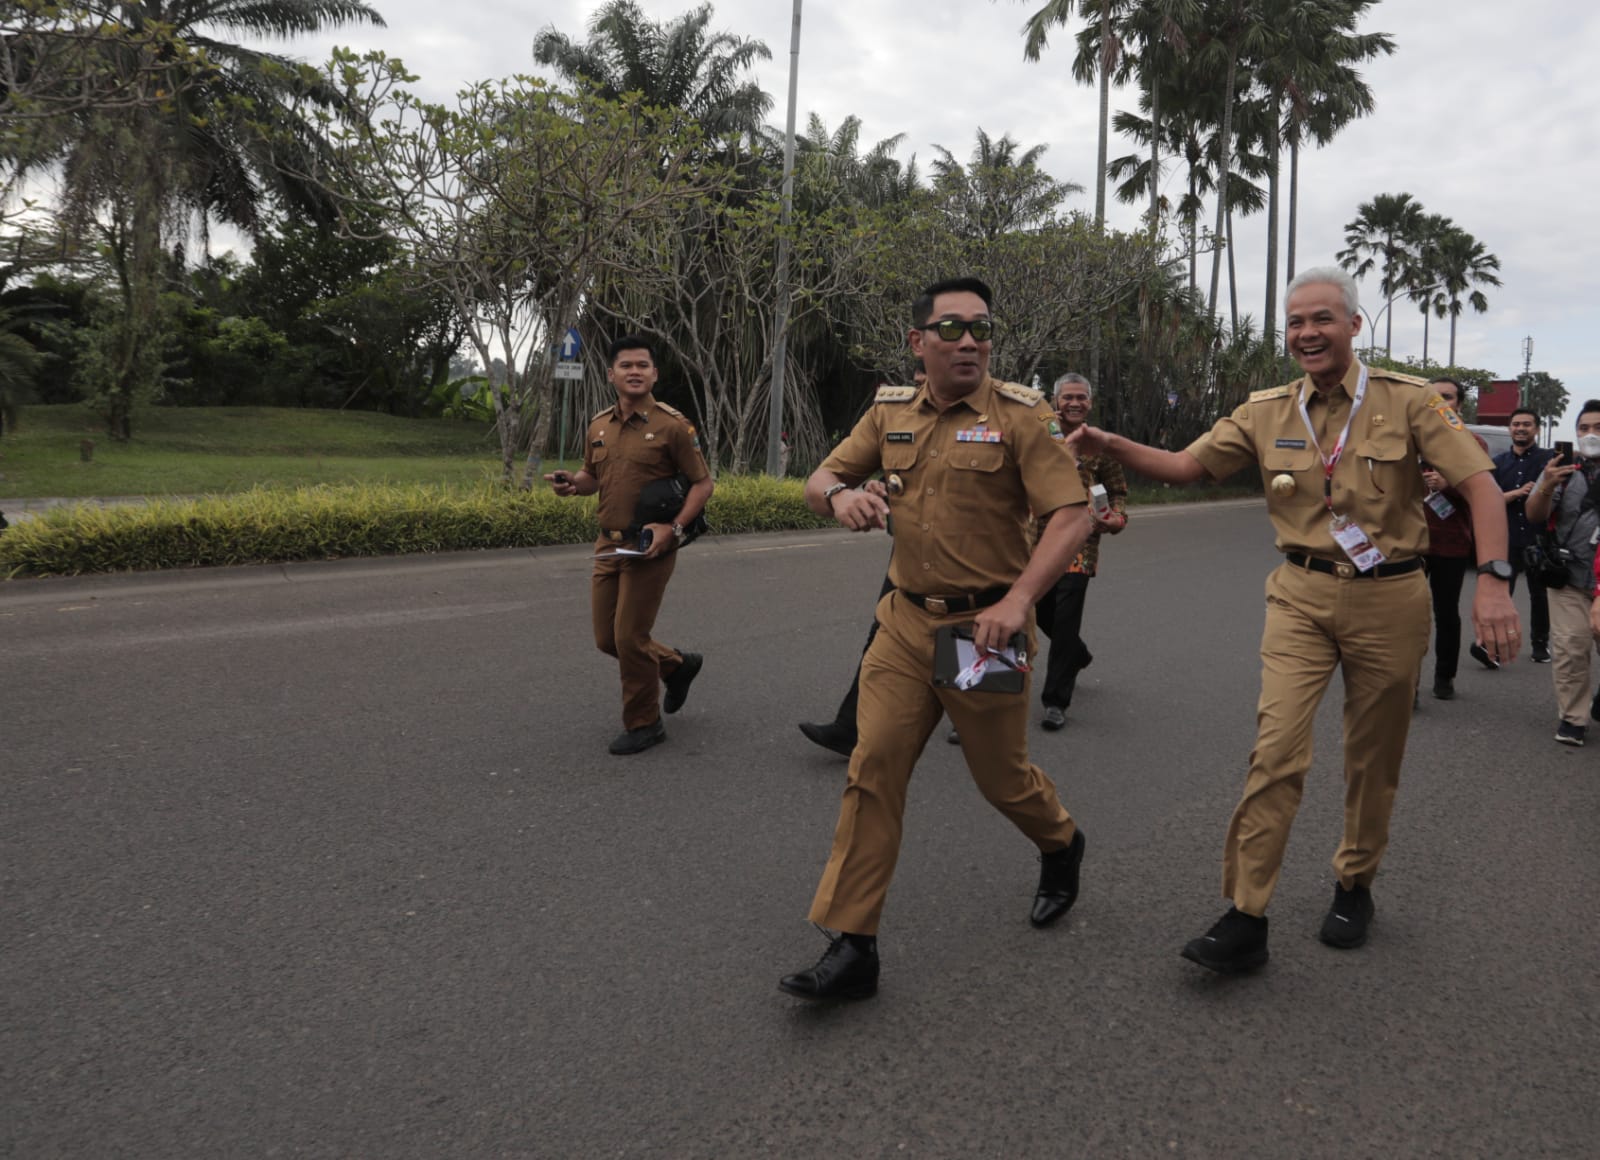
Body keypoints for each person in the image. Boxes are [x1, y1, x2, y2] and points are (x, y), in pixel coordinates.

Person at [1067, 266, 1519, 974]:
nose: (1307, 334)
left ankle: (1355, 882)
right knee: (1275, 749)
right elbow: (1188, 467)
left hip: (1390, 597)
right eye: (1295, 323)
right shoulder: (1267, 409)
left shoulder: (1408, 402)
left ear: (1353, 326)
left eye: (1322, 320)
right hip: (1300, 595)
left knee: (1374, 758)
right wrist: (1111, 445)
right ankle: (1246, 913)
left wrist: (1492, 583)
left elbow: (1480, 489)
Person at [780, 276, 1093, 1002]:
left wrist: (1020, 600)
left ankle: (1060, 841)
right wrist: (840, 496)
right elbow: (822, 473)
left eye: (981, 328)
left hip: (984, 630)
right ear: (918, 342)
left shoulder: (1022, 416)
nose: (971, 342)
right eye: (951, 329)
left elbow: (1072, 514)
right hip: (903, 620)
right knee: (874, 766)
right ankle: (853, 943)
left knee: (1000, 779)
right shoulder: (890, 410)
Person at [543, 334, 714, 756]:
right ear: (611, 374)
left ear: (654, 374)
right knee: (608, 639)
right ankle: (676, 665)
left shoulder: (673, 425)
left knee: (630, 636)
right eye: (626, 365)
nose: (634, 372)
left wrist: (672, 529)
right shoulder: (599, 425)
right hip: (608, 544)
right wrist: (572, 485)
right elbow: (591, 478)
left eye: (642, 365)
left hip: (651, 544)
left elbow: (703, 483)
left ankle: (644, 723)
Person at [797, 367, 925, 759]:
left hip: (982, 576)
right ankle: (849, 729)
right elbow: (822, 482)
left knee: (1002, 768)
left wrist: (1018, 595)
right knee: (881, 636)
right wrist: (850, 494)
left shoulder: (1011, 416)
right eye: (919, 381)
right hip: (911, 557)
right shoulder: (893, 415)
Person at [1033, 373, 1128, 730]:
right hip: (1032, 542)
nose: (1075, 403)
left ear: (1090, 402)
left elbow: (1117, 491)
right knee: (1039, 612)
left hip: (1079, 544)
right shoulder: (1037, 435)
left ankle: (1055, 701)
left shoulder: (1098, 444)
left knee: (1066, 617)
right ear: (1055, 401)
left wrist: (1116, 517)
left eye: (1082, 398)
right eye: (1068, 397)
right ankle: (1076, 654)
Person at [1524, 400, 1600, 746]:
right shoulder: (1561, 469)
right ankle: (1573, 717)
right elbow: (1534, 515)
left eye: (1598, 428)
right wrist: (1547, 485)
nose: (1590, 435)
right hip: (1567, 576)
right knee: (1570, 647)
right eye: (1583, 429)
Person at [1420, 377, 1487, 701]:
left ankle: (1445, 676)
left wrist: (1448, 485)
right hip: (1408, 543)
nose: (1440, 401)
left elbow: (1483, 496)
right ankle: (1405, 685)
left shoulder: (1473, 442)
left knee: (1446, 613)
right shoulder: (1406, 438)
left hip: (1451, 543)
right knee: (1406, 616)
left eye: (1447, 396)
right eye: (1433, 396)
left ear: (1459, 404)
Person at [1493, 408, 1555, 664]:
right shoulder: (1497, 463)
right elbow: (1490, 501)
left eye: (1527, 424)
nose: (1520, 428)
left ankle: (1540, 645)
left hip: (1538, 538)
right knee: (1500, 595)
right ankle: (1495, 646)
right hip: (1505, 538)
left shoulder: (1549, 460)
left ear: (1537, 429)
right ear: (1510, 428)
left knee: (1539, 595)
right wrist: (1518, 493)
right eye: (1516, 424)